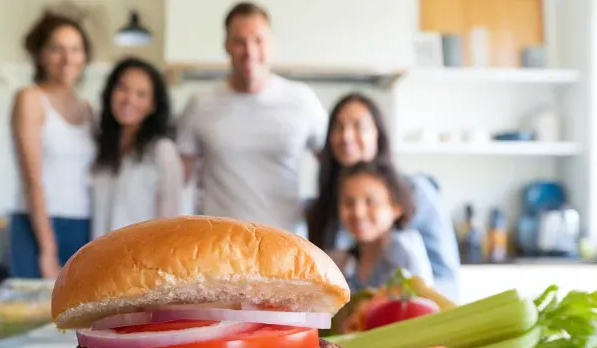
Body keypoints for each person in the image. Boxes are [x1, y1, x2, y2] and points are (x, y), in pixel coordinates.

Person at [176, 1, 328, 232]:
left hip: (286, 244)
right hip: (220, 246)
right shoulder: (200, 104)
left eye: (258, 40)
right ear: (226, 45)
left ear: (272, 43)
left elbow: (335, 166)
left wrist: (322, 213)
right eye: (239, 41)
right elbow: (176, 179)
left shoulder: (302, 100)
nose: (250, 51)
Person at [306, 92, 461, 300]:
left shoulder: (415, 192)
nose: (347, 136)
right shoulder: (327, 202)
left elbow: (446, 277)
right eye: (338, 127)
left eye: (359, 126)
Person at [8, 11, 97, 279]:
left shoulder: (90, 110)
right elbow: (32, 179)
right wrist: (47, 249)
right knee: (39, 314)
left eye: (75, 49)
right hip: (37, 226)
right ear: (41, 55)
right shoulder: (30, 99)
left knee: (81, 316)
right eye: (56, 49)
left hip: (84, 225)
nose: (67, 58)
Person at [90, 58, 184, 239]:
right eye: (122, 89)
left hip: (142, 260)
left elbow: (171, 222)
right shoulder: (101, 147)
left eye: (141, 94)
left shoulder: (163, 151)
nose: (128, 100)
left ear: (153, 106)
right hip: (99, 258)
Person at [332, 162, 434, 292]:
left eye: (370, 202)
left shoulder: (402, 248)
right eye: (348, 203)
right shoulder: (346, 261)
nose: (358, 212)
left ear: (396, 208)